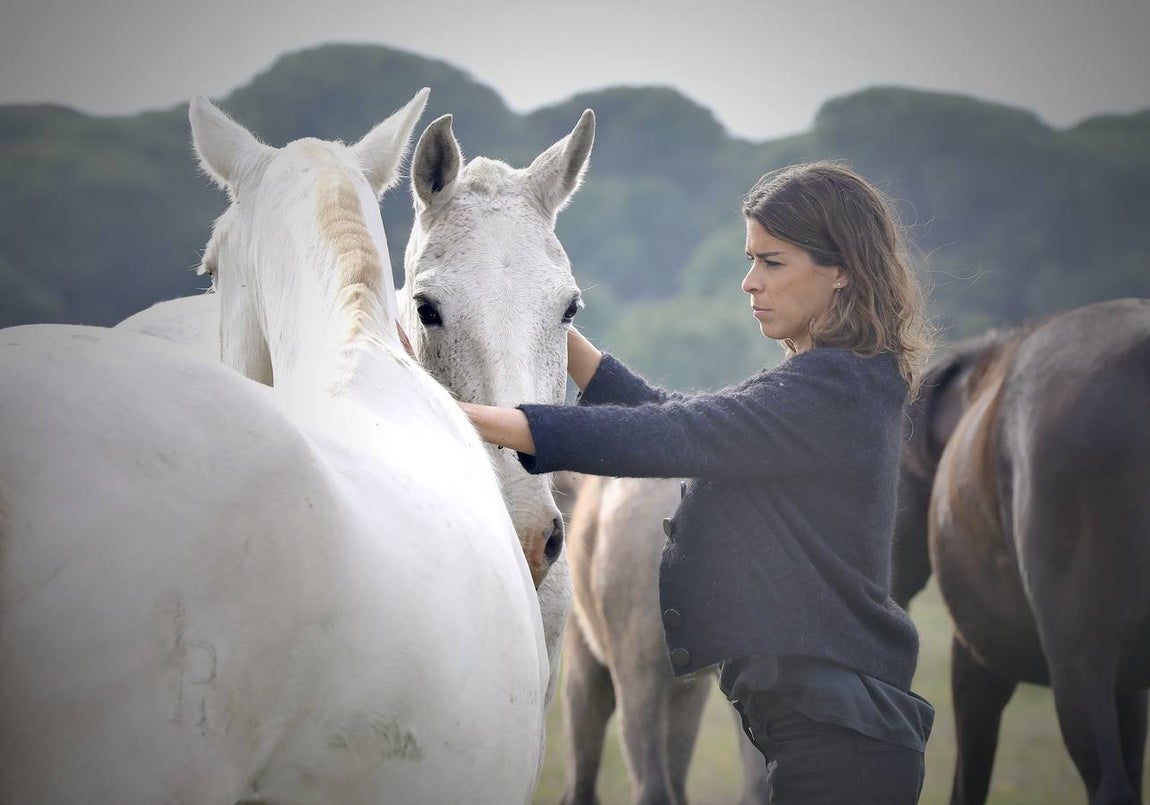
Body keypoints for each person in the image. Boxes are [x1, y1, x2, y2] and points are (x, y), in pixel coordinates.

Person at [461, 161, 935, 804]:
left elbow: (670, 435)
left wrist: (464, 418)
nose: (749, 283)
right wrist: (543, 320)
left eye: (772, 262)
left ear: (840, 269)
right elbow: (671, 414)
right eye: (750, 260)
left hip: (840, 748)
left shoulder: (831, 389)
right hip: (828, 734)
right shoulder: (839, 384)